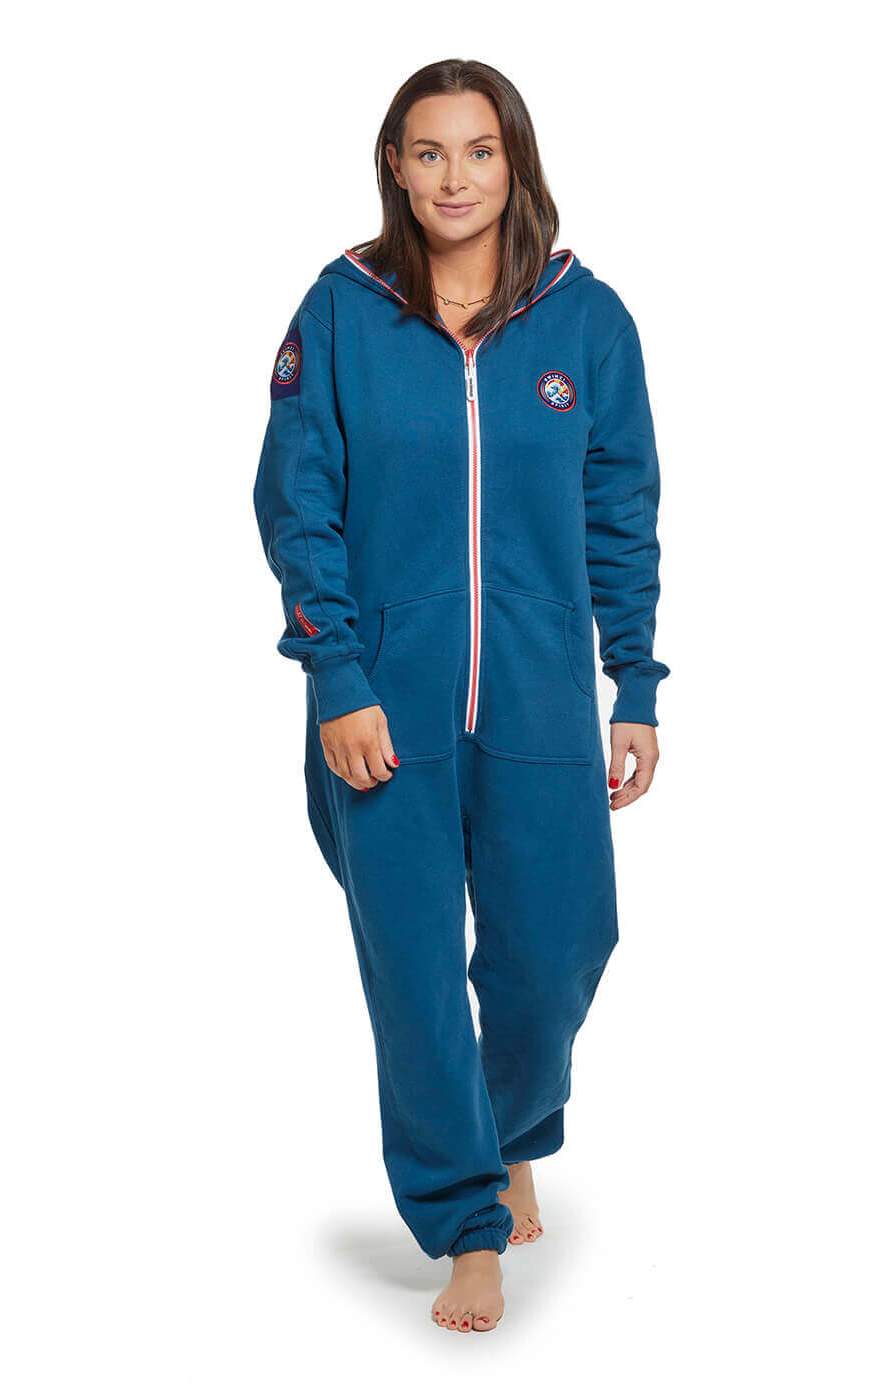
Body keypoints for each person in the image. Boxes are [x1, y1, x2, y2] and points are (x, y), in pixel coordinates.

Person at [253, 58, 670, 1333]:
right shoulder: (342, 310)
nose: (453, 178)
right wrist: (335, 675)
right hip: (381, 704)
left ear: (513, 159)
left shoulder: (585, 319)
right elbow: (297, 503)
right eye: (427, 152)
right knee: (419, 975)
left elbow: (620, 509)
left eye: (477, 151)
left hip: (541, 698)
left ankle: (509, 1126)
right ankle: (466, 1222)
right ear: (394, 164)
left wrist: (633, 680)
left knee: (560, 949)